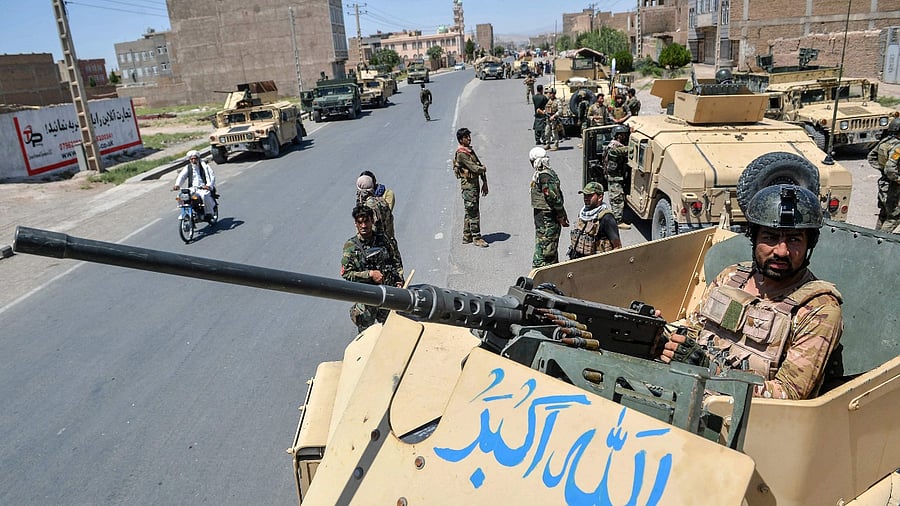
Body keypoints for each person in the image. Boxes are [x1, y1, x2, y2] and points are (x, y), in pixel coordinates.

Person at [660, 184, 843, 400]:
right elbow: (695, 330)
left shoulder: (818, 309)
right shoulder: (732, 278)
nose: (781, 251)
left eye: (794, 239)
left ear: (808, 245)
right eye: (771, 237)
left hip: (749, 420)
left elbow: (790, 393)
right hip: (689, 392)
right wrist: (660, 335)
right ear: (754, 239)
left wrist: (713, 373)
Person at [341, 205, 404, 333]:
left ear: (372, 221)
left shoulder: (383, 239)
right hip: (367, 297)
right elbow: (347, 274)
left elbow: (396, 259)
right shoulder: (351, 247)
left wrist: (399, 279)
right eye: (360, 222)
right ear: (355, 224)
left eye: (366, 221)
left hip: (387, 294)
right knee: (366, 334)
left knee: (391, 331)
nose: (364, 226)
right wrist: (369, 274)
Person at [529, 147, 569, 267]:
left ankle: (545, 273)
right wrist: (561, 214)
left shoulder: (543, 176)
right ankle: (542, 274)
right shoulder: (543, 175)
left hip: (546, 217)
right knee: (547, 249)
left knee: (546, 247)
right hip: (546, 218)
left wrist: (561, 215)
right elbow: (553, 197)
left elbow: (553, 198)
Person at [453, 128, 489, 247]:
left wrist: (484, 181)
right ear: (460, 140)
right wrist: (482, 169)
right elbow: (475, 168)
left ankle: (467, 236)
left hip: (474, 185)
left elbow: (478, 164)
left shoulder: (469, 150)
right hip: (469, 187)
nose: (469, 138)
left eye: (469, 136)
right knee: (473, 212)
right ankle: (476, 237)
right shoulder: (462, 153)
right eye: (466, 137)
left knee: (469, 211)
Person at [568, 182, 622, 259]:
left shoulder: (606, 218)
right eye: (585, 195)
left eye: (590, 195)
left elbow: (618, 247)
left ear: (600, 197)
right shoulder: (583, 214)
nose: (586, 198)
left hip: (597, 263)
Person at [866, 118, 900, 233]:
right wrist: (897, 178)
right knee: (894, 217)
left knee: (883, 214)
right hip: (893, 187)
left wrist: (882, 170)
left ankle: (875, 238)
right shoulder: (898, 146)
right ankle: (881, 241)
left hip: (884, 184)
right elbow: (890, 168)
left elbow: (872, 157)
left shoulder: (885, 142)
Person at [173, 150, 217, 221]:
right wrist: (177, 185)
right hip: (192, 189)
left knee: (205, 196)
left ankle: (209, 213)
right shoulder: (188, 167)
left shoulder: (205, 166)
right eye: (192, 159)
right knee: (180, 196)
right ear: (189, 159)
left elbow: (211, 176)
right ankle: (185, 212)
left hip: (203, 188)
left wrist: (208, 185)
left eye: (195, 158)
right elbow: (182, 176)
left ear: (198, 158)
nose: (193, 160)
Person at [604, 125, 632, 230]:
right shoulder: (614, 146)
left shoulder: (616, 144)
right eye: (624, 135)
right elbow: (615, 152)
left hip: (616, 176)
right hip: (614, 177)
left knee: (618, 197)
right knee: (617, 198)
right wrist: (631, 148)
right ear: (619, 136)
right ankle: (617, 221)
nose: (625, 137)